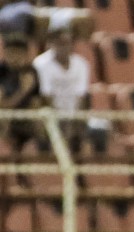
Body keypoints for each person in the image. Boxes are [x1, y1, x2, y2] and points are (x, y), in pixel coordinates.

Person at [32, 25, 90, 153]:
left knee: (98, 130)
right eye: (59, 43)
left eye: (66, 43)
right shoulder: (40, 64)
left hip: (74, 115)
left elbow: (82, 96)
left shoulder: (82, 64)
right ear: (50, 43)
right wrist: (59, 123)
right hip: (49, 115)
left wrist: (74, 120)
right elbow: (45, 97)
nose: (63, 47)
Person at [0, 33, 42, 153]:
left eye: (18, 53)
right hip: (4, 122)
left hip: (24, 121)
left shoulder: (31, 72)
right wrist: (23, 91)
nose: (15, 58)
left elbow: (36, 102)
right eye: (11, 53)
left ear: (26, 54)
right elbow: (3, 105)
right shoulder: (1, 72)